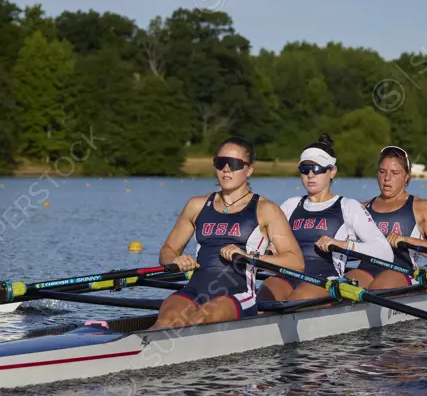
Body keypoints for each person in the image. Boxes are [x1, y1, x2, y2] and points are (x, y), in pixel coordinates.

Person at [153, 137, 304, 328]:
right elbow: (168, 250)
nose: (226, 169)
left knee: (202, 319)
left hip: (237, 293)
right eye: (220, 163)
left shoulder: (266, 209)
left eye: (233, 164)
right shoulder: (196, 205)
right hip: (195, 289)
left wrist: (248, 256)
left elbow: (296, 263)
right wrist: (174, 260)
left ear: (249, 170)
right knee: (166, 320)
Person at [258, 134, 393, 302]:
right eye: (305, 169)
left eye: (317, 169)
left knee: (297, 299)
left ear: (332, 172)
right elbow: (259, 242)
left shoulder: (348, 207)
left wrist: (342, 245)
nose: (310, 175)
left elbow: (386, 253)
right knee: (263, 299)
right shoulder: (290, 206)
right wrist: (269, 249)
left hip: (326, 280)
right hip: (287, 276)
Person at [359, 146, 427, 290]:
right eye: (382, 172)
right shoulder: (361, 208)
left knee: (384, 282)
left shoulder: (423, 207)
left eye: (395, 173)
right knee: (347, 282)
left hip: (402, 272)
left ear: (407, 177)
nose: (387, 178)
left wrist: (408, 241)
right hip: (365, 270)